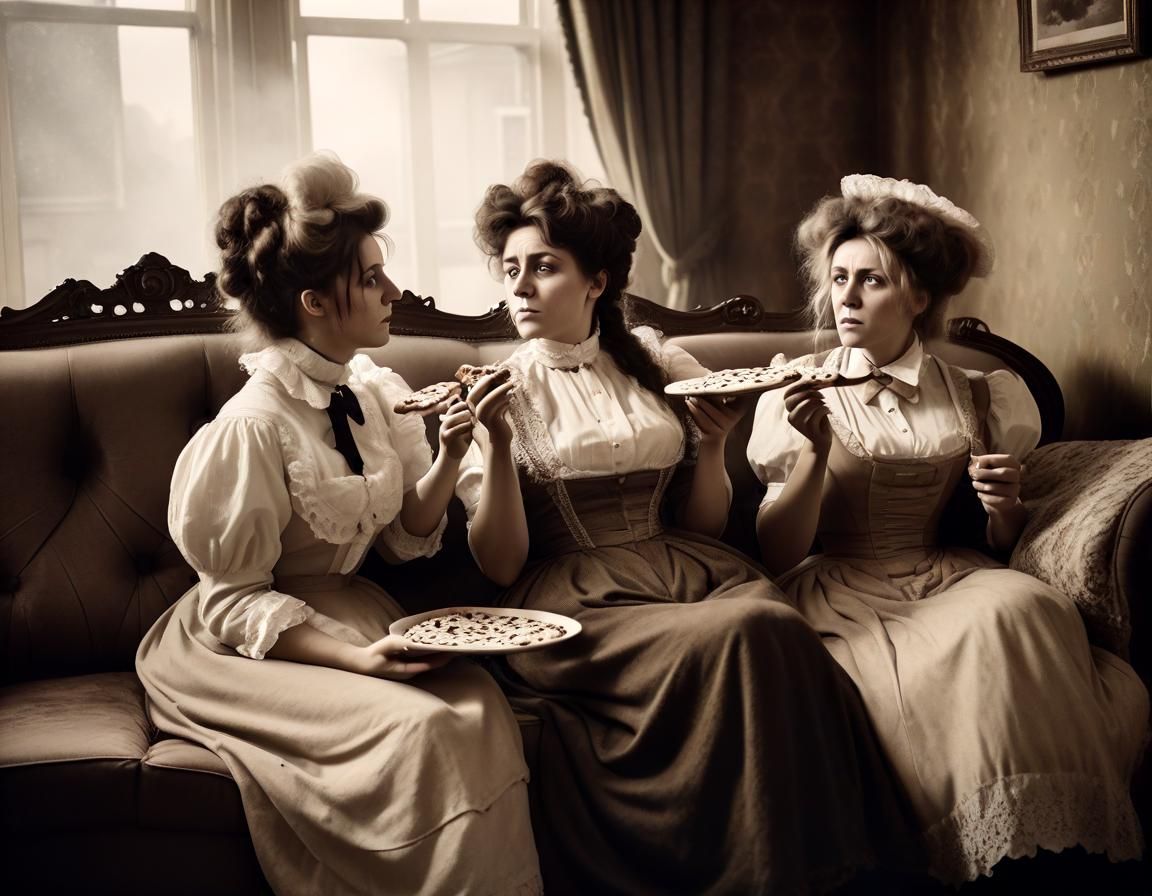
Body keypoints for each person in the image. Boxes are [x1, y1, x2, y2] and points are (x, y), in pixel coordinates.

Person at [456, 160, 920, 895]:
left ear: (597, 281)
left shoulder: (660, 362)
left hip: (688, 568)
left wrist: (709, 447)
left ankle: (836, 873)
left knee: (770, 618)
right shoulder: (493, 393)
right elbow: (502, 565)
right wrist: (503, 447)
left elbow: (707, 522)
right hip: (577, 606)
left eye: (543, 267)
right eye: (510, 268)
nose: (518, 287)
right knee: (749, 633)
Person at [135, 152, 542, 896]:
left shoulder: (374, 390)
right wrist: (357, 662)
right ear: (315, 303)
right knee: (422, 732)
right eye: (371, 279)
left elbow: (406, 531)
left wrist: (450, 455)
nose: (393, 291)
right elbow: (233, 599)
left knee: (477, 709)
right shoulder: (254, 428)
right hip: (246, 642)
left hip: (350, 610)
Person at [746, 174, 1149, 887]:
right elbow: (774, 549)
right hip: (841, 587)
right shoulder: (797, 389)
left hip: (943, 570)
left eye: (871, 280)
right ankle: (964, 857)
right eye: (838, 277)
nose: (846, 296)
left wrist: (1004, 506)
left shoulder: (977, 391)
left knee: (1025, 606)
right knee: (931, 661)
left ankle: (1046, 853)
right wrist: (811, 455)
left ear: (920, 296)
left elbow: (1004, 543)